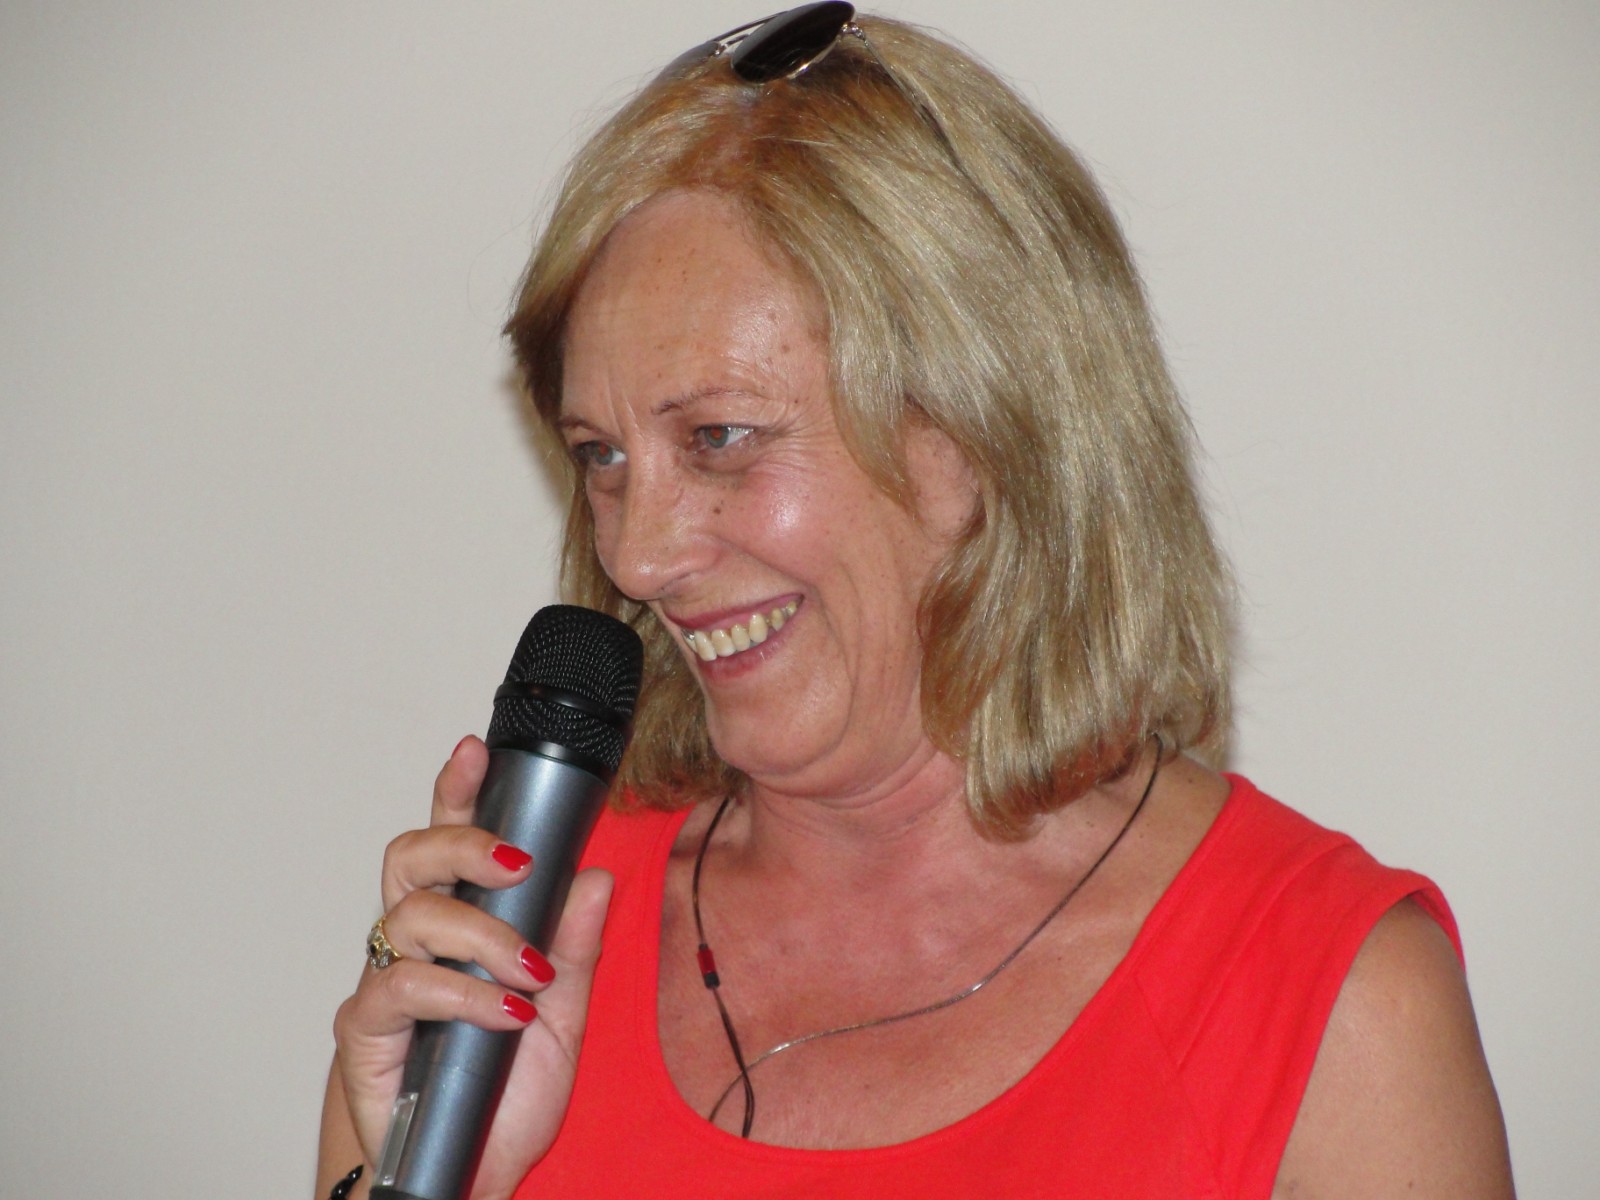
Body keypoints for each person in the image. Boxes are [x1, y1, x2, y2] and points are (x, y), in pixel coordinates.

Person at [317, 6, 1514, 1197]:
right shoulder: (511, 948)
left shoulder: (1331, 1006)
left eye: (720, 437)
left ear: (989, 432)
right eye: (602, 455)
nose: (636, 556)